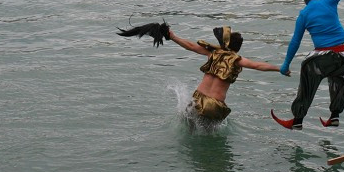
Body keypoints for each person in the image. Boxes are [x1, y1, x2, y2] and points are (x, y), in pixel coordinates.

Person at [117, 22, 284, 122]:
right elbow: (257, 66)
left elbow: (189, 45)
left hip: (198, 101)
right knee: (209, 131)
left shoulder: (213, 53)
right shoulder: (237, 60)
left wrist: (172, 36)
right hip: (215, 107)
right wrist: (280, 68)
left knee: (188, 122)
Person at [272, 0, 344, 130]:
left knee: (308, 69)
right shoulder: (329, 1)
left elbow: (295, 42)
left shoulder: (304, 14)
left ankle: (298, 119)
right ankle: (335, 115)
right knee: (338, 76)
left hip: (327, 56)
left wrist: (285, 65)